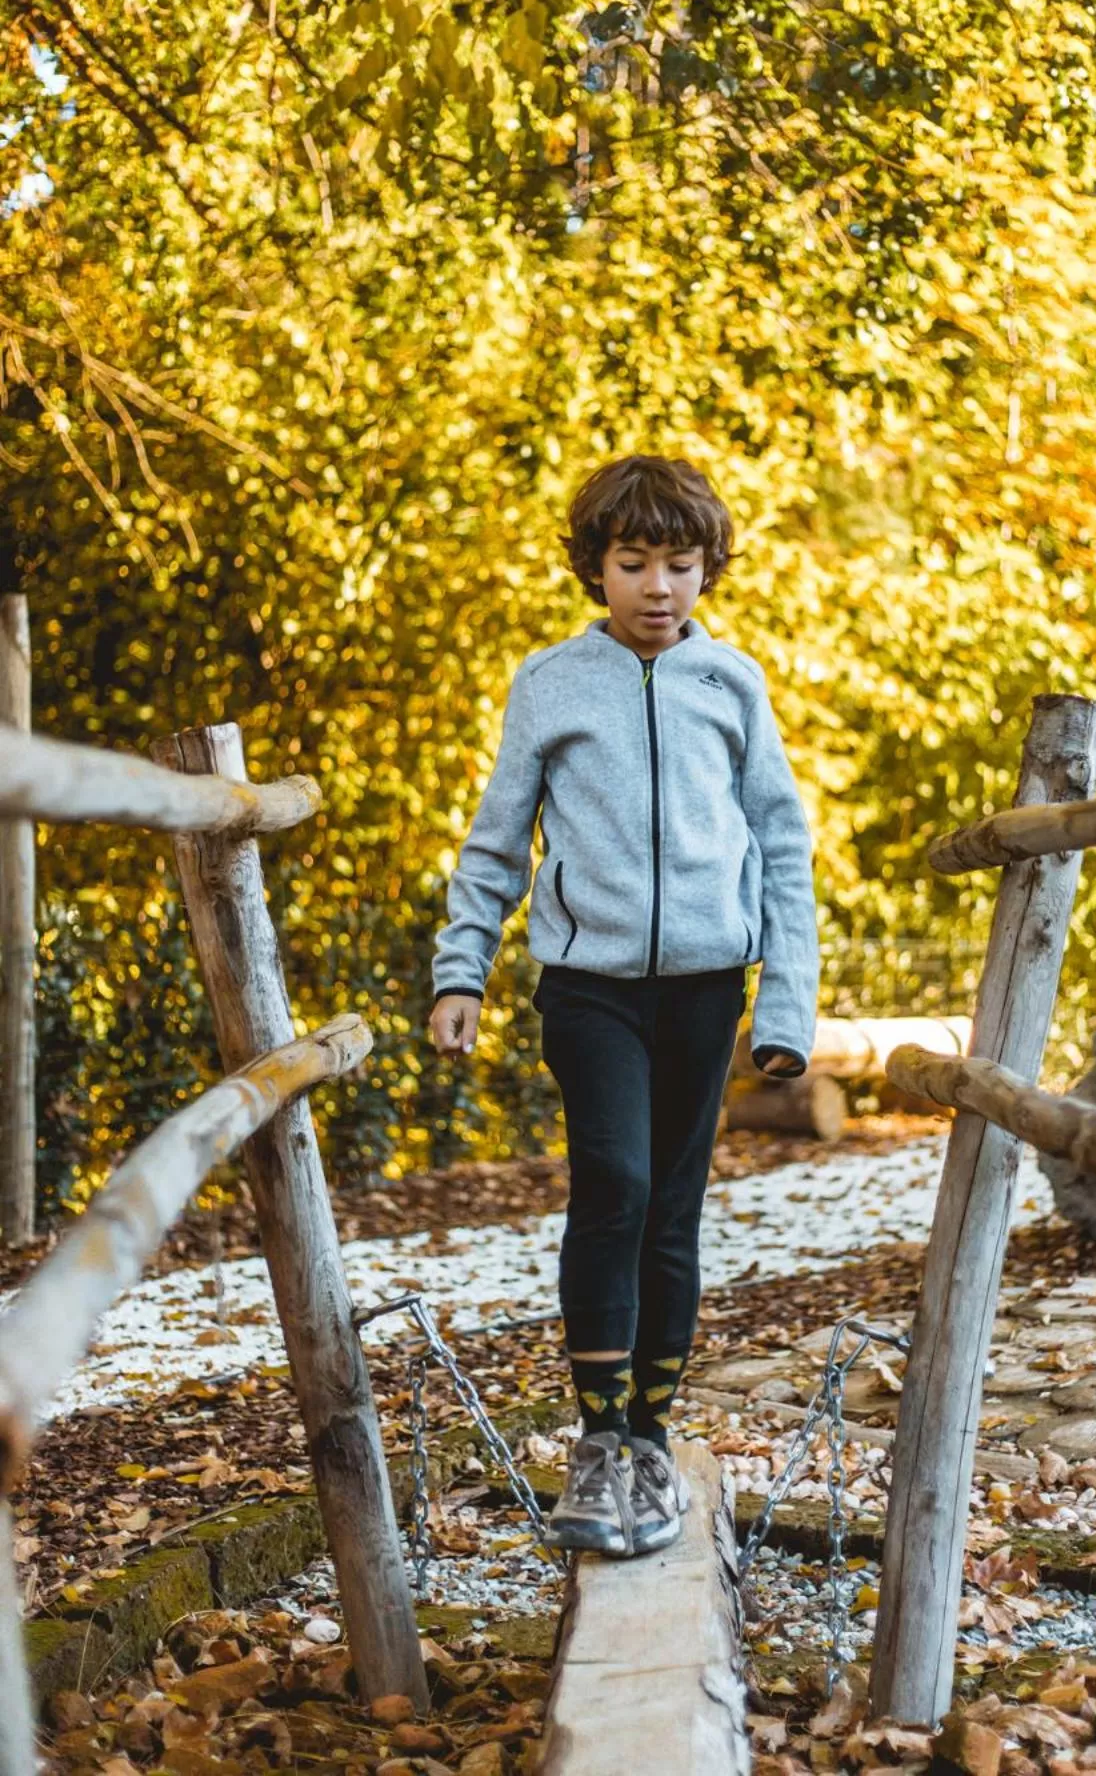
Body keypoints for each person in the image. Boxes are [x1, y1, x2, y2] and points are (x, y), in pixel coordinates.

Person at [429, 454, 819, 1557]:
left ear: (707, 570)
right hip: (587, 987)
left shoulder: (731, 684)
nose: (658, 586)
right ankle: (599, 1440)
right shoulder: (550, 683)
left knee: (673, 1209)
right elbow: (497, 841)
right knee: (617, 1182)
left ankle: (648, 1437)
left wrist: (784, 1007)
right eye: (634, 562)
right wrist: (462, 971)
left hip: (704, 990)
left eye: (679, 564)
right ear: (595, 567)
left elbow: (782, 847)